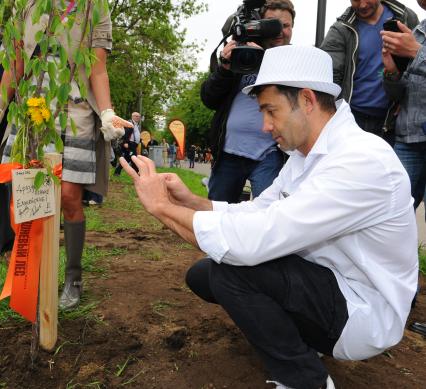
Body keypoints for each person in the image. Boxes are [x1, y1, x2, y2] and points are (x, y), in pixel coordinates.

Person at [119, 45, 418, 389]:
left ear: (306, 100)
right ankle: (302, 341)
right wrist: (190, 201)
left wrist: (161, 208)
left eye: (270, 111)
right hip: (329, 284)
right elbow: (261, 210)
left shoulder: (360, 161)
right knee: (206, 275)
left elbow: (252, 241)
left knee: (232, 271)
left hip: (363, 310)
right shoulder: (306, 156)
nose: (264, 126)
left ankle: (306, 380)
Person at [0, 2, 132, 309]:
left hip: (75, 107)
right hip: (32, 107)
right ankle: (31, 276)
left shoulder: (94, 8)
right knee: (28, 193)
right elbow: (15, 65)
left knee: (70, 195)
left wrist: (108, 111)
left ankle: (73, 278)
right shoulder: (26, 5)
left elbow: (97, 68)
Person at [201, 0, 295, 203]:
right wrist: (225, 67)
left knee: (269, 213)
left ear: (292, 28)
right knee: (217, 212)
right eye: (272, 24)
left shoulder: (296, 62)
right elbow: (209, 99)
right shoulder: (242, 55)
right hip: (228, 151)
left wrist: (266, 62)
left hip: (270, 154)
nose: (279, 31)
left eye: (285, 25)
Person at [381, 0, 426, 337]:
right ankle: (393, 302)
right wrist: (393, 71)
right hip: (408, 138)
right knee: (391, 220)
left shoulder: (417, 39)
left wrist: (417, 53)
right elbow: (401, 94)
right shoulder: (419, 28)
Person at [321, 0, 418, 144]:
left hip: (393, 121)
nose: (362, 5)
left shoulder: (406, 17)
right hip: (352, 119)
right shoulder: (341, 29)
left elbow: (417, 65)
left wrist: (407, 100)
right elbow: (328, 78)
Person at [113, 112, 141, 176]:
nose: (138, 118)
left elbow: (135, 134)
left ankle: (117, 172)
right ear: (132, 116)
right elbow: (125, 133)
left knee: (128, 158)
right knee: (133, 158)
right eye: (136, 116)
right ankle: (137, 173)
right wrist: (125, 142)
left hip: (133, 144)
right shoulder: (130, 123)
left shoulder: (136, 124)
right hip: (130, 144)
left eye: (139, 116)